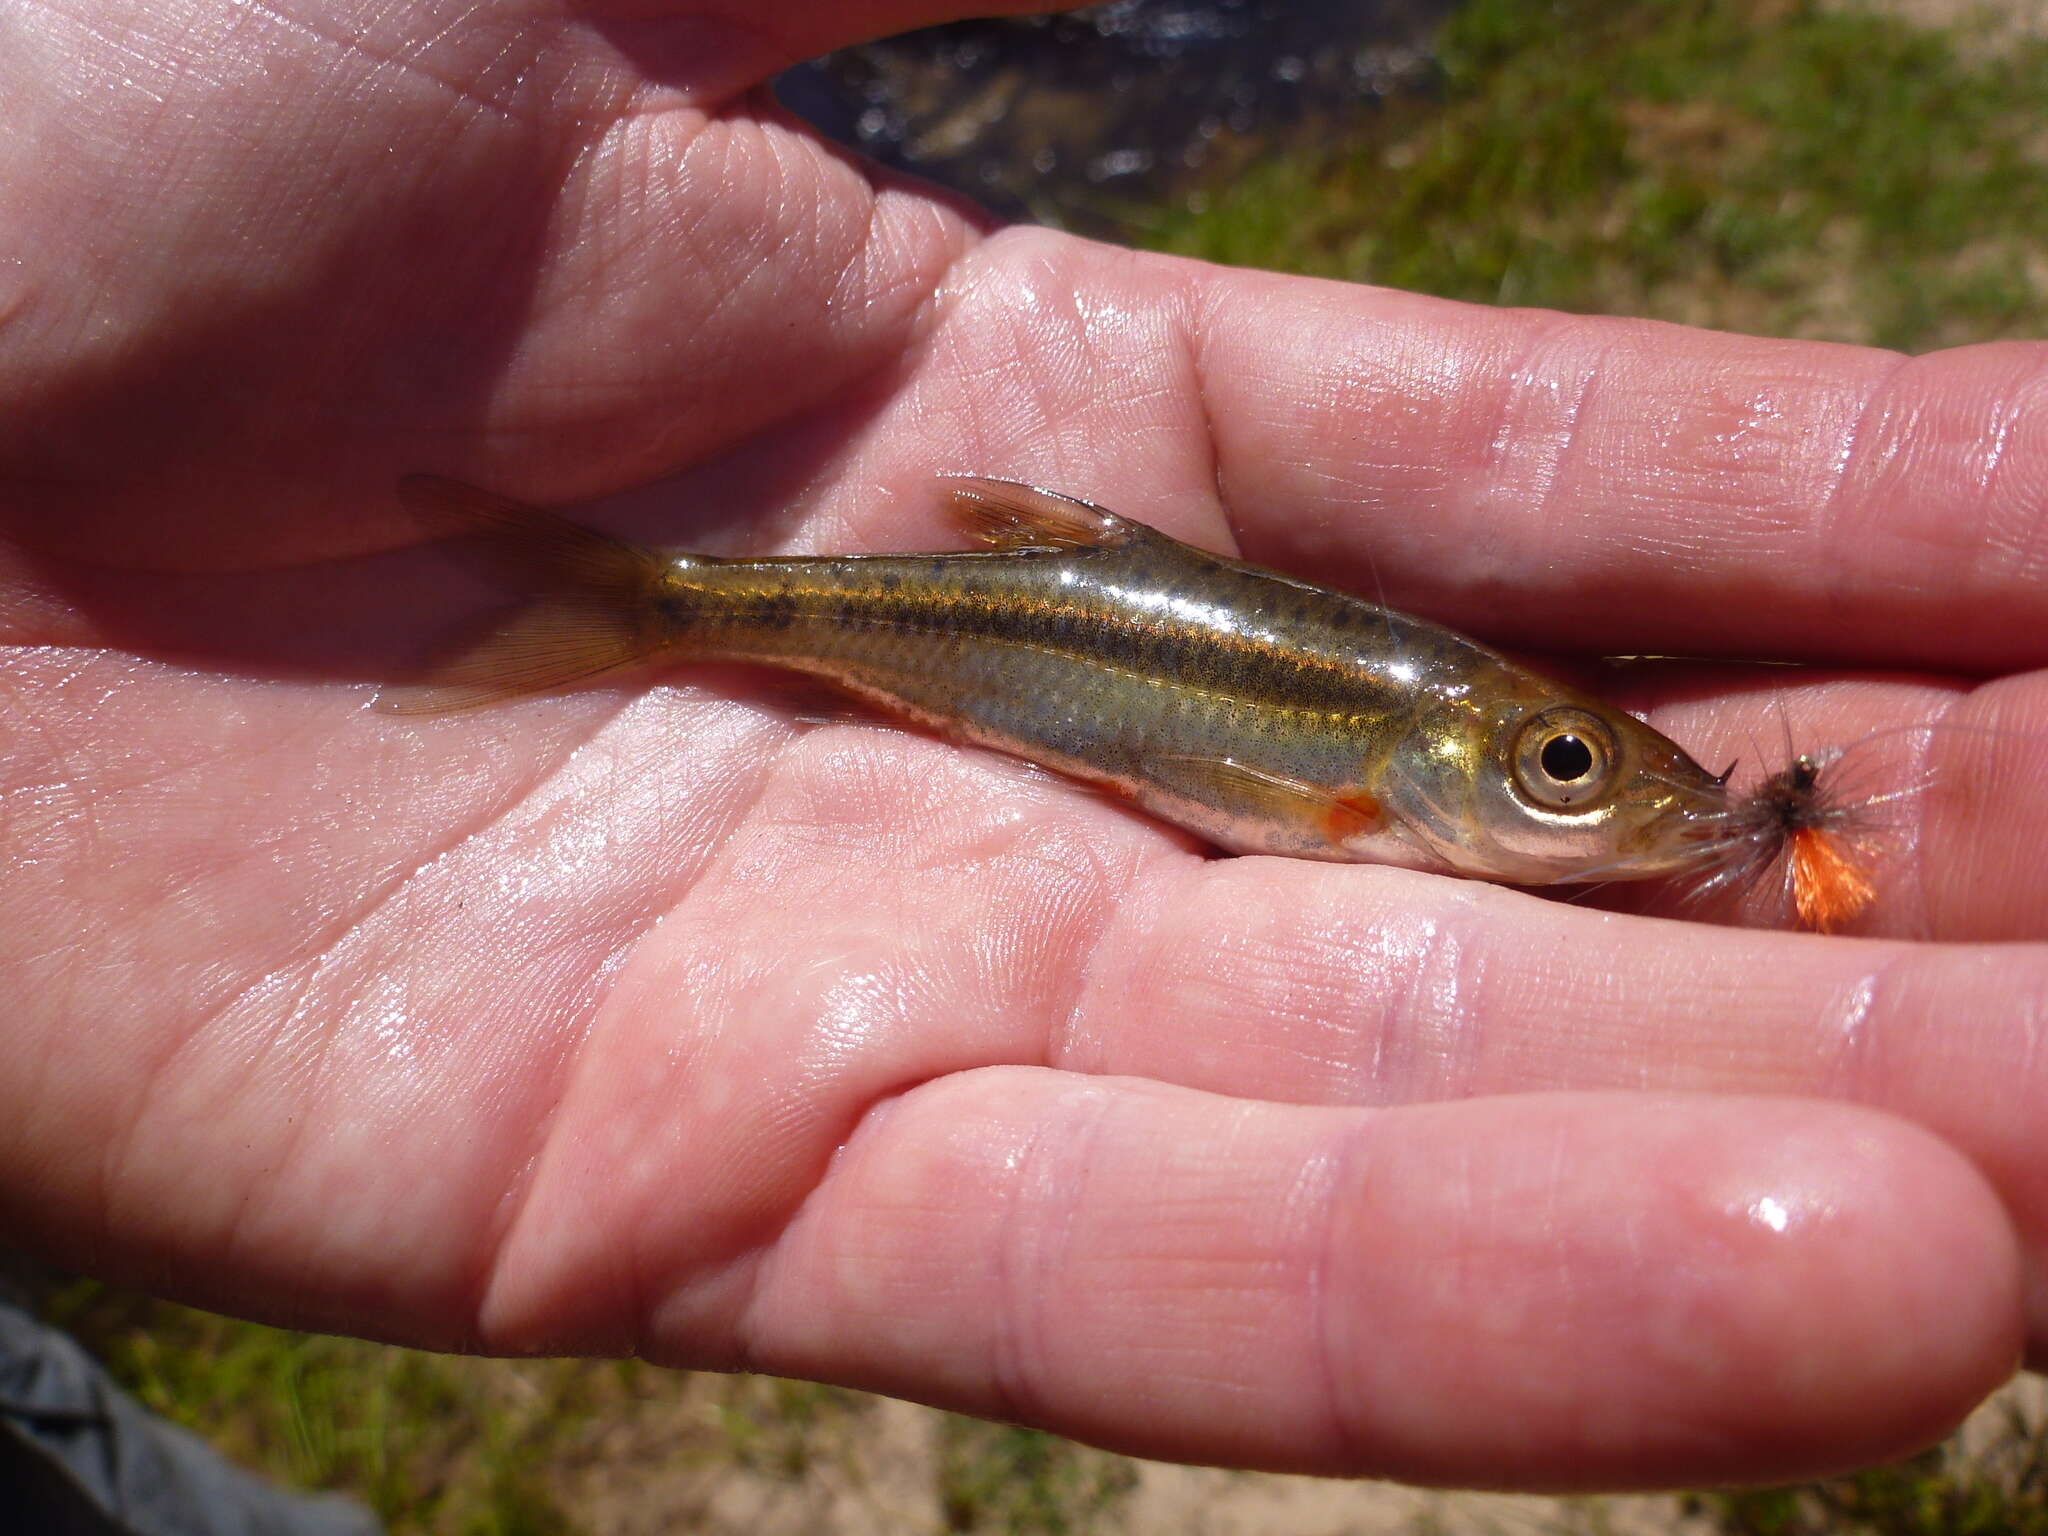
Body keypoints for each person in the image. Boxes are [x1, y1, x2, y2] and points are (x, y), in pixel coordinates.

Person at [0, 0, 2041, 1507]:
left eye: (1558, 774)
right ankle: (633, 593)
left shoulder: (1405, 747)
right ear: (1424, 754)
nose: (1579, 799)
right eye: (1562, 774)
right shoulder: (1366, 757)